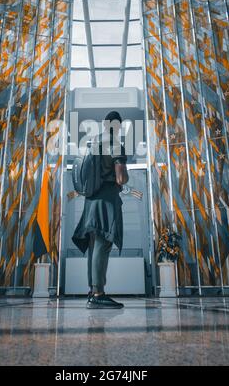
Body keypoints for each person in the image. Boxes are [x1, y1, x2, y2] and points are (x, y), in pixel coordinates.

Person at [72, 111, 129, 309]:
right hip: (106, 199)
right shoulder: (114, 143)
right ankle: (98, 293)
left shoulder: (93, 142)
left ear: (104, 124)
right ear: (118, 126)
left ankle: (92, 291)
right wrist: (123, 179)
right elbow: (121, 178)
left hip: (91, 199)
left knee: (94, 244)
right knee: (103, 243)